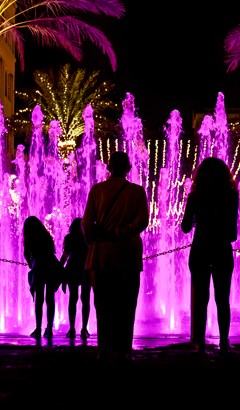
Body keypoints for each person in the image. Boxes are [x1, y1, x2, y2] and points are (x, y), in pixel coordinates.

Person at [81, 151, 149, 360]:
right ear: (128, 168)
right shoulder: (137, 192)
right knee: (127, 305)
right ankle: (125, 351)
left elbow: (86, 223)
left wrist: (94, 239)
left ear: (109, 167)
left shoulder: (97, 190)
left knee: (102, 305)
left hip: (101, 256)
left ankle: (103, 349)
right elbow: (142, 221)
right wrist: (121, 232)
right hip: (127, 256)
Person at [181, 157, 239, 354]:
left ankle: (200, 343)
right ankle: (223, 341)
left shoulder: (195, 196)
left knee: (201, 298)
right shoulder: (231, 196)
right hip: (222, 249)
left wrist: (199, 220)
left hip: (201, 249)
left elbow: (185, 227)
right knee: (223, 299)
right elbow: (233, 233)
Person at [23, 216, 61, 339]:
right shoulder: (46, 236)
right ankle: (49, 328)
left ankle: (38, 329)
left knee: (39, 299)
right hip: (50, 266)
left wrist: (31, 263)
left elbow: (27, 254)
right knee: (50, 299)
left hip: (38, 267)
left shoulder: (28, 237)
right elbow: (52, 250)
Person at [60, 217, 92, 339]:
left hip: (72, 269)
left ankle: (72, 329)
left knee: (72, 300)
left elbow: (65, 256)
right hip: (85, 269)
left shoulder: (69, 238)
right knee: (85, 300)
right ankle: (84, 329)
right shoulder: (87, 238)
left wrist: (59, 269)